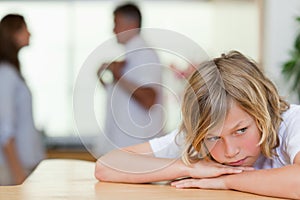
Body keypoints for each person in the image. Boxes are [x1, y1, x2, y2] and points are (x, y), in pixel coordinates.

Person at [95, 50, 300, 199]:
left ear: (263, 110)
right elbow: (106, 167)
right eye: (214, 137)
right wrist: (190, 166)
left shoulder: (291, 121)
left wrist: (226, 181)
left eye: (241, 130)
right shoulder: (198, 137)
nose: (230, 151)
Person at [96, 3, 163, 151]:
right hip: (124, 148)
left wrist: (117, 75)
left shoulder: (145, 55)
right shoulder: (129, 58)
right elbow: (121, 97)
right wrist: (104, 76)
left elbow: (148, 99)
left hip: (138, 150)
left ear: (132, 25)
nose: (113, 30)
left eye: (116, 24)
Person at [0, 14, 45, 185]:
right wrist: (18, 175)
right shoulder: (5, 73)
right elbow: (5, 129)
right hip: (13, 171)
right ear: (12, 34)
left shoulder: (12, 72)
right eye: (25, 28)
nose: (30, 34)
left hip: (23, 168)